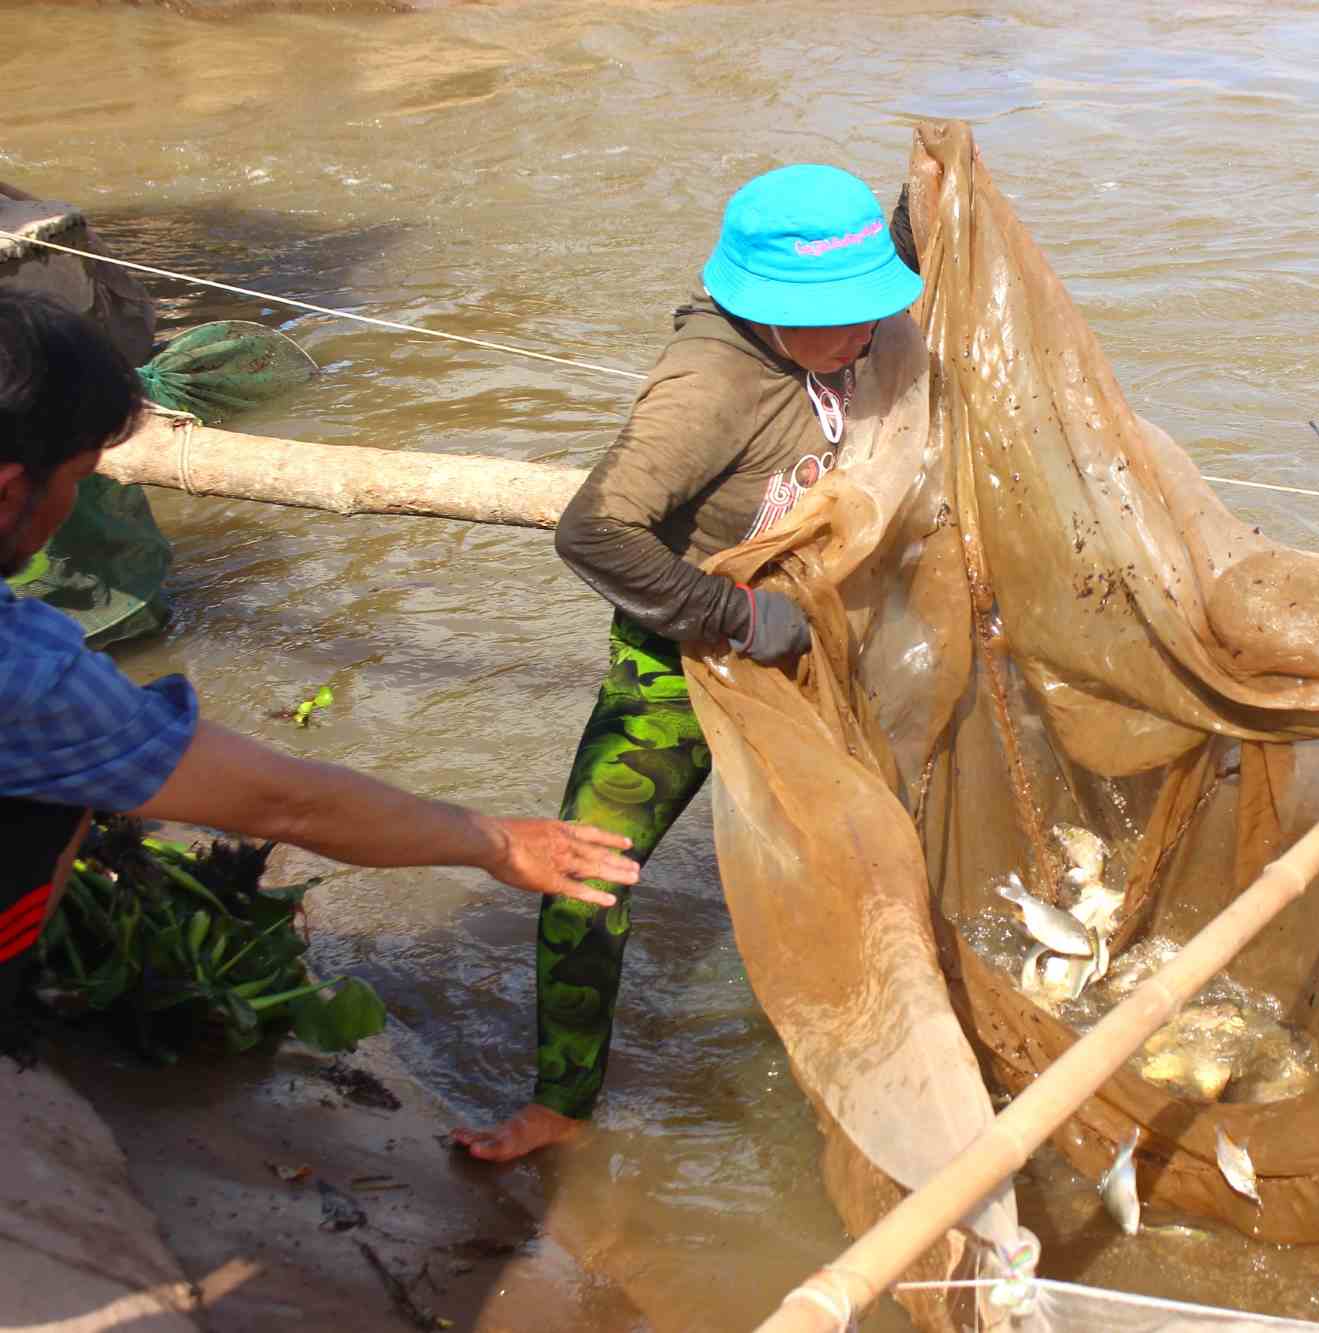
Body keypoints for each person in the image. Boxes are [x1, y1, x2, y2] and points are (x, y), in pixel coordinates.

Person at [449, 164, 923, 1161]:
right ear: (764, 314)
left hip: (818, 651)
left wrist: (922, 208)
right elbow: (592, 532)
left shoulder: (851, 337)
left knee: (875, 855)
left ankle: (884, 1069)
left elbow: (906, 269)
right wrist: (734, 617)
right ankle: (558, 1102)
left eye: (873, 308)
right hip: (685, 655)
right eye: (842, 315)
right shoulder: (706, 391)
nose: (868, 333)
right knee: (587, 871)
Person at [0, 289, 641, 1012]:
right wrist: (497, 842)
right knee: (80, 791)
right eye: (80, 478)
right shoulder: (28, 673)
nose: (72, 505)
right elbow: (285, 802)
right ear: (9, 490)